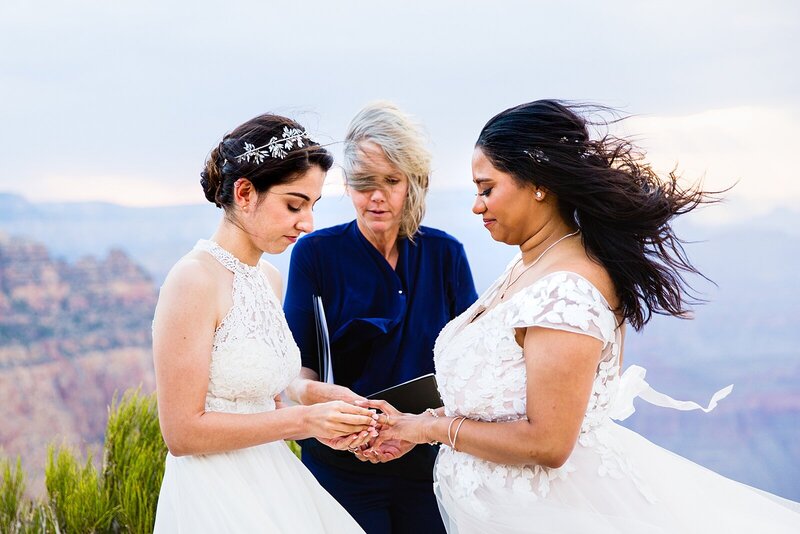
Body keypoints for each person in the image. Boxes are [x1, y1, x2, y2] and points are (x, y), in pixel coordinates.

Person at [363, 100, 800, 533]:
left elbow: (548, 443)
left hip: (548, 516)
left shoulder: (566, 291)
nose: (477, 206)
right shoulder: (529, 263)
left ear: (538, 184)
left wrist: (429, 429)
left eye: (487, 188)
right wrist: (410, 426)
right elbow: (502, 399)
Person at [152, 113, 378, 533]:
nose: (307, 223)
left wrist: (316, 405)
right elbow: (181, 433)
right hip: (213, 493)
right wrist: (305, 421)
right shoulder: (193, 280)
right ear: (244, 192)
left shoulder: (268, 279)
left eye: (312, 206)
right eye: (294, 204)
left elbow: (265, 403)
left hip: (272, 478)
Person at [283, 102, 478, 533]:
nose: (377, 196)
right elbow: (295, 370)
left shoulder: (445, 255)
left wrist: (418, 427)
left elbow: (473, 366)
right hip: (339, 464)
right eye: (364, 183)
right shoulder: (315, 255)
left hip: (427, 463)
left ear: (413, 183)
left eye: (391, 181)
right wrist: (319, 395)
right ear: (348, 185)